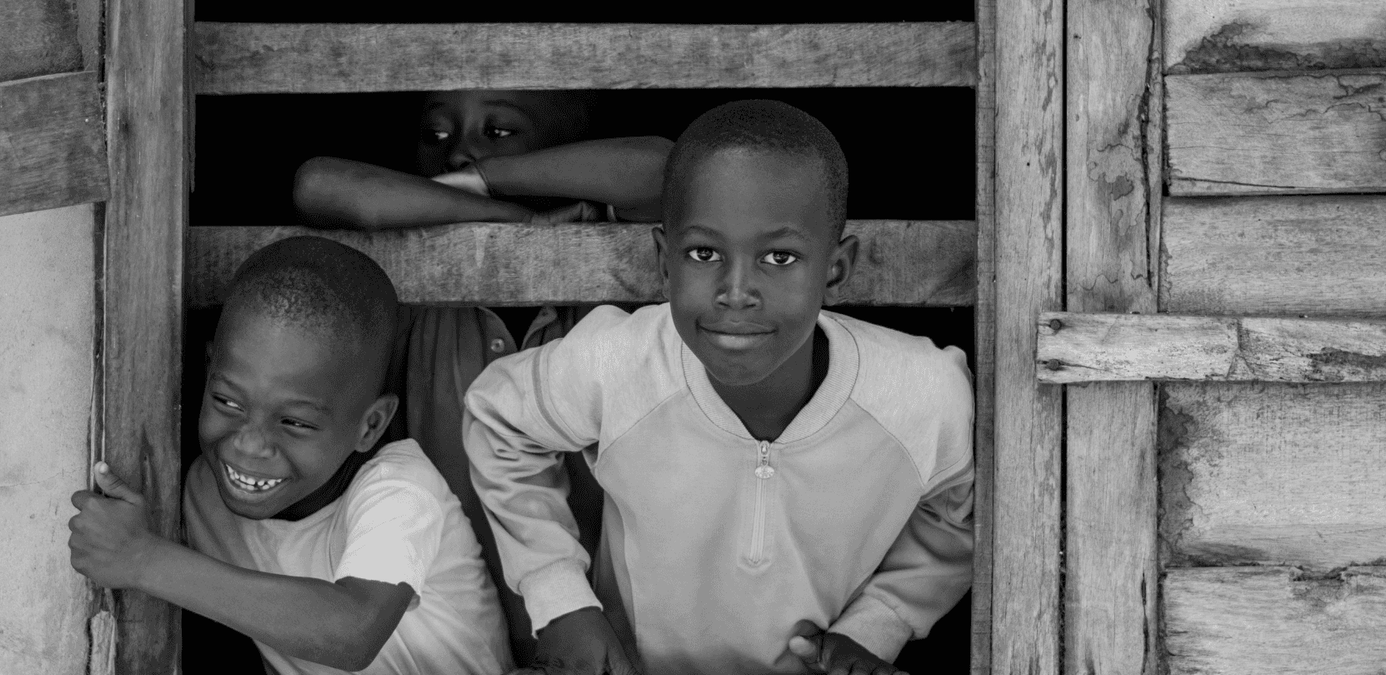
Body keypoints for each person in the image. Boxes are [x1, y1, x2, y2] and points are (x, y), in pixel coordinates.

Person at [463, 100, 975, 675]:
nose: (736, 292)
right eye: (704, 254)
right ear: (665, 261)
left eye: (779, 257)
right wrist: (559, 599)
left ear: (835, 268)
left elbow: (962, 509)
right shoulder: (621, 362)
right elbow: (500, 417)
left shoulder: (918, 393)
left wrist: (879, 623)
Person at [293, 90, 673, 661]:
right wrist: (514, 220)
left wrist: (488, 180)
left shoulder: (606, 257)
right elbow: (319, 185)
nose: (458, 153)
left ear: (565, 150)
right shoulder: (415, 283)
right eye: (436, 135)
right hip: (456, 648)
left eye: (498, 133)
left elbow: (667, 170)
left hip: (608, 644)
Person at [68, 237, 511, 675]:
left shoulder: (402, 490)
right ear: (208, 369)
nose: (249, 445)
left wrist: (143, 559)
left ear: (371, 425)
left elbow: (353, 633)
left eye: (295, 423)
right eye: (228, 402)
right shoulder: (202, 494)